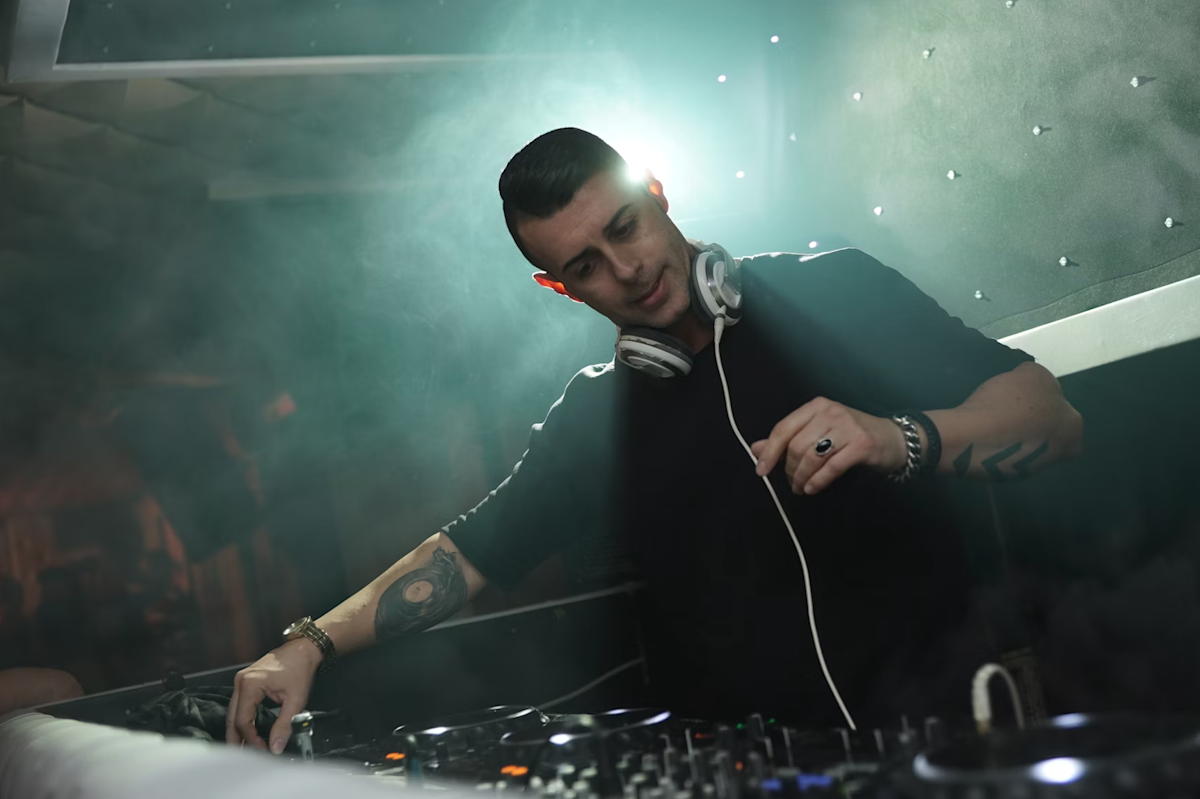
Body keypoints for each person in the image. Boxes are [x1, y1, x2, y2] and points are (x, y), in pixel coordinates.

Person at [228, 128, 1083, 753]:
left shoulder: (836, 290)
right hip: (764, 769)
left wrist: (901, 437)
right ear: (558, 288)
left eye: (626, 226)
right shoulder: (594, 418)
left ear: (658, 192)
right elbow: (468, 553)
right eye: (587, 265)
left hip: (954, 741)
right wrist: (306, 642)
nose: (628, 269)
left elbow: (1050, 416)